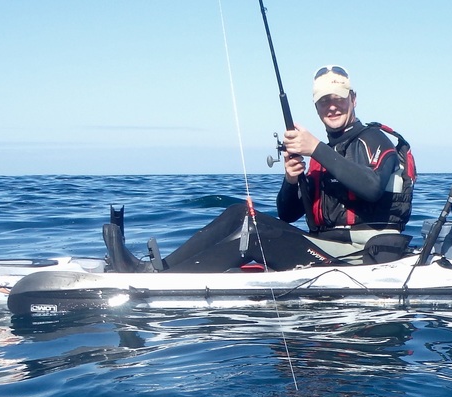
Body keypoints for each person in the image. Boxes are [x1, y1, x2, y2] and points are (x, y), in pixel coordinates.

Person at [103, 65, 415, 274]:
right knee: (241, 213)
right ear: (316, 106)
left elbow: (372, 186)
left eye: (338, 99)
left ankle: (163, 282)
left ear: (353, 99)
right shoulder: (326, 151)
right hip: (324, 244)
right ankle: (160, 269)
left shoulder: (373, 139)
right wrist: (292, 180)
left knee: (252, 235)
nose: (331, 107)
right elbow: (288, 215)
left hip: (362, 255)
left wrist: (314, 148)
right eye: (323, 101)